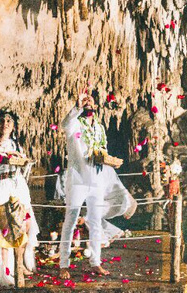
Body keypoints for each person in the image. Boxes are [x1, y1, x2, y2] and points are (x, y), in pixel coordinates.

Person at [57, 92, 136, 280]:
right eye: (85, 101)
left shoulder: (99, 128)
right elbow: (64, 124)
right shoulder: (75, 124)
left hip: (97, 179)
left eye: (91, 100)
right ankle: (63, 264)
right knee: (71, 219)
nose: (88, 102)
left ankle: (95, 262)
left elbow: (101, 151)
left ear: (96, 106)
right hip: (78, 179)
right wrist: (77, 107)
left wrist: (110, 161)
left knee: (94, 221)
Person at [0, 109, 40, 286]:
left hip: (17, 183)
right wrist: (7, 152)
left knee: (26, 223)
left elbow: (19, 161)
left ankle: (20, 264)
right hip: (0, 186)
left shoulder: (16, 144)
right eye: (2, 120)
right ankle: (6, 270)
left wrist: (22, 158)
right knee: (4, 228)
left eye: (9, 121)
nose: (5, 123)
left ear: (13, 126)